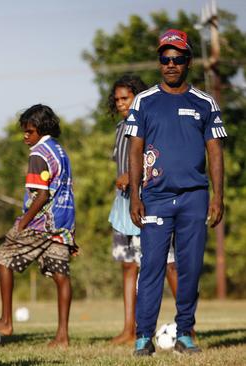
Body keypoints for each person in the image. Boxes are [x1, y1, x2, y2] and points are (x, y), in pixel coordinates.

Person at [126, 29, 225, 356]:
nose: (170, 64)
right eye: (165, 59)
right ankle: (143, 337)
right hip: (154, 198)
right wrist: (137, 195)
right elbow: (136, 149)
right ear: (159, 62)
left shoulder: (205, 102)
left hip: (194, 198)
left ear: (188, 61)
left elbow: (215, 151)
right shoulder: (144, 101)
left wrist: (217, 195)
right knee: (152, 265)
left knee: (191, 267)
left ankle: (185, 332)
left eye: (177, 58)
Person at [0, 104, 77, 348]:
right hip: (64, 223)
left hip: (41, 224)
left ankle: (5, 320)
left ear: (40, 129)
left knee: (3, 259)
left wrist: (22, 224)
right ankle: (62, 336)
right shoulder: (59, 151)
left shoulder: (38, 154)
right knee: (61, 275)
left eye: (29, 131)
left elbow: (41, 196)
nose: (25, 136)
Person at [107, 74, 180, 345]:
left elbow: (162, 158)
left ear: (138, 96)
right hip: (123, 206)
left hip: (150, 203)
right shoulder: (119, 128)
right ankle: (129, 328)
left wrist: (133, 176)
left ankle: (187, 326)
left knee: (169, 264)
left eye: (125, 98)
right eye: (117, 100)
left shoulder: (151, 124)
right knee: (128, 266)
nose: (121, 104)